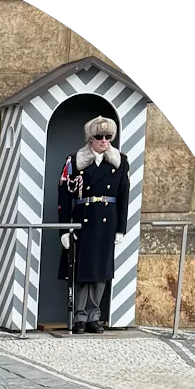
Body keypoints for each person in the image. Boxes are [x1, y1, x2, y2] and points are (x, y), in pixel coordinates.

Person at [57, 115, 130, 334]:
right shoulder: (74, 161)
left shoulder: (120, 161)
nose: (104, 140)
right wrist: (64, 230)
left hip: (107, 221)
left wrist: (121, 229)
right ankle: (79, 317)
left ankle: (94, 316)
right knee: (82, 270)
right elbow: (64, 197)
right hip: (83, 220)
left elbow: (124, 196)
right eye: (99, 136)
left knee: (101, 271)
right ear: (91, 138)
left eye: (108, 136)